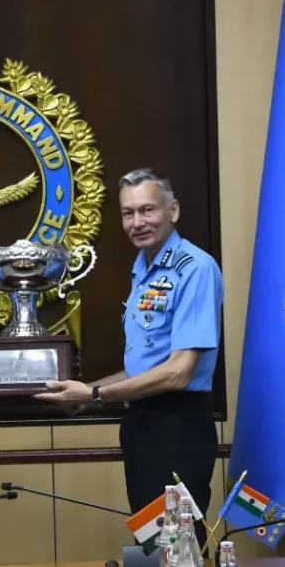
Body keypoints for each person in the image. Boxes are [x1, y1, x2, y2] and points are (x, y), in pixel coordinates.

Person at [35, 168, 223, 547]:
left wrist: (94, 397)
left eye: (148, 210)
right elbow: (143, 368)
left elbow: (178, 373)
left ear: (174, 211)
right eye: (128, 213)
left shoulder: (195, 268)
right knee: (151, 546)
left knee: (176, 547)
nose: (137, 222)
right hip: (142, 424)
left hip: (178, 426)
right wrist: (87, 392)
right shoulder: (143, 270)